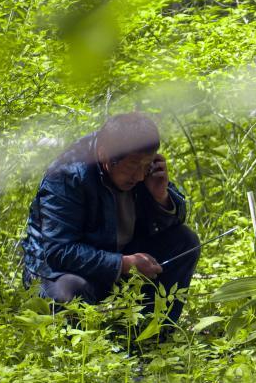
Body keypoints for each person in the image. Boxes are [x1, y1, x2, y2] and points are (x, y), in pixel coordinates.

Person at [20, 112, 200, 328]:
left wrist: (161, 197)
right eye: (133, 166)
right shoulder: (67, 174)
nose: (140, 176)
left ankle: (150, 335)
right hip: (62, 271)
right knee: (68, 292)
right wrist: (123, 264)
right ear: (105, 155)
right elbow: (59, 251)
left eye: (146, 166)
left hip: (119, 257)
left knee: (185, 242)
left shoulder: (142, 163)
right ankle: (83, 342)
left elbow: (175, 220)